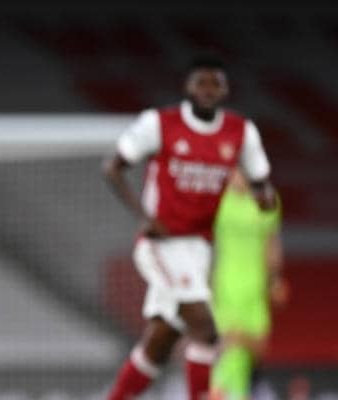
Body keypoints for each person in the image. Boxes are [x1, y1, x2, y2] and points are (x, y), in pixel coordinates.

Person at [101, 54, 276, 400]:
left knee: (159, 343)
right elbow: (113, 167)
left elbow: (261, 182)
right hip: (162, 244)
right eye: (201, 83)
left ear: (225, 89)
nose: (208, 90)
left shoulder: (241, 132)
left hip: (199, 250)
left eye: (216, 84)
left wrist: (264, 197)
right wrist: (143, 216)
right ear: (187, 86)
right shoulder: (160, 124)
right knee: (205, 329)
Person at [209, 168, 286, 400]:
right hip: (224, 287)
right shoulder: (218, 200)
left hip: (255, 289)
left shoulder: (267, 200)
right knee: (225, 349)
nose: (238, 176)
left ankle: (227, 391)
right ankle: (222, 392)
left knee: (253, 346)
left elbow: (272, 244)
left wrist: (274, 280)